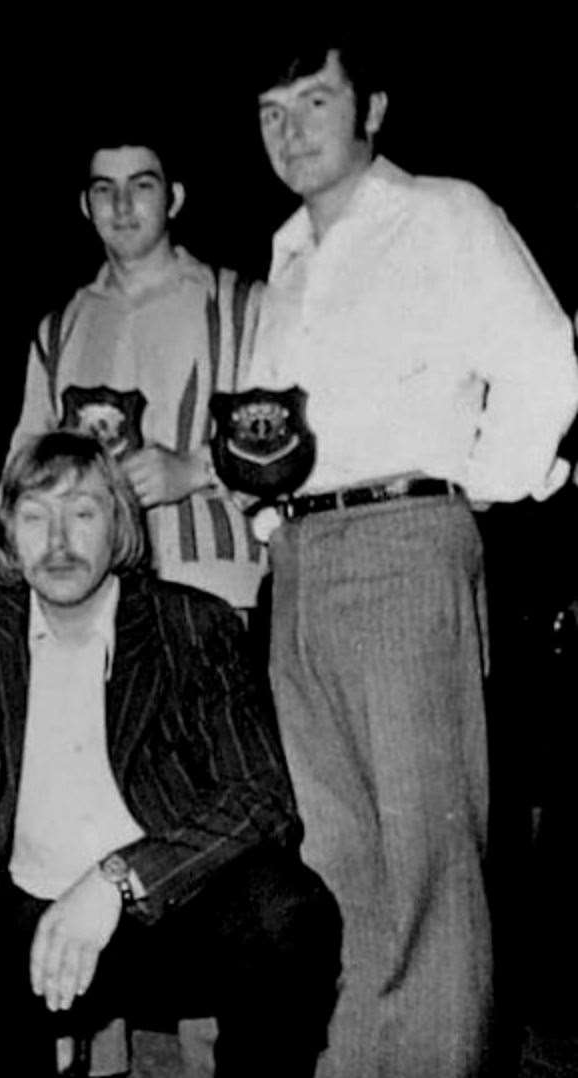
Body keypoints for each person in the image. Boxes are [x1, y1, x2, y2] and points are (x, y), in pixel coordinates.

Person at [246, 39, 578, 1077]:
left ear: (374, 107)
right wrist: (268, 524)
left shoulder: (444, 215)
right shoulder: (286, 253)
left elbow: (541, 364)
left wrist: (469, 490)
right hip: (301, 558)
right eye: (270, 108)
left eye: (315, 98)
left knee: (428, 857)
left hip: (401, 546)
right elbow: (266, 425)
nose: (291, 127)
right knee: (338, 852)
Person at [0, 431, 341, 1078]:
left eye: (82, 514)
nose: (57, 543)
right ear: (7, 537)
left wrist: (118, 880)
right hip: (26, 913)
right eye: (34, 517)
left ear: (120, 527)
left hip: (165, 909)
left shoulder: (191, 626)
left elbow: (262, 797)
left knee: (288, 910)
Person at [7, 123, 263, 612]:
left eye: (142, 185)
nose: (122, 206)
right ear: (86, 205)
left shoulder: (240, 306)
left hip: (216, 585)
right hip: (94, 596)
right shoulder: (59, 329)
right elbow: (25, 465)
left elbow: (290, 437)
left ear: (175, 198)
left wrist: (197, 468)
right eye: (105, 190)